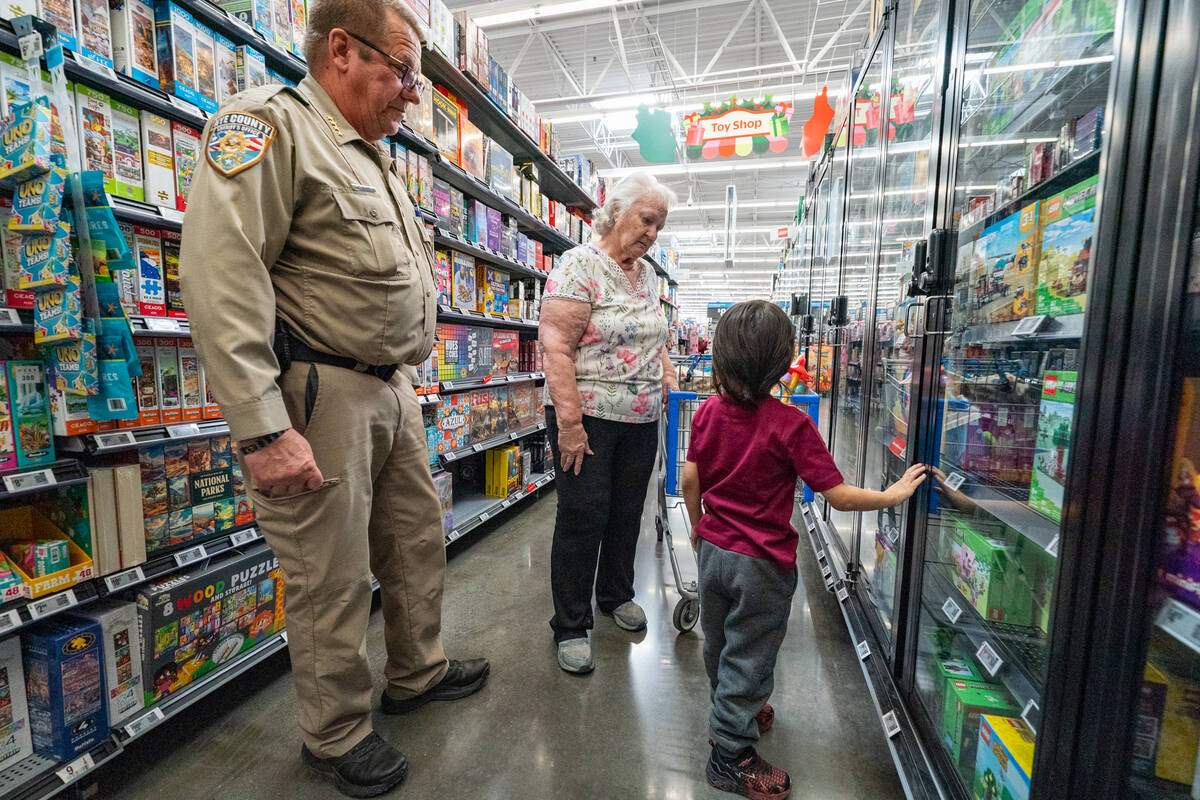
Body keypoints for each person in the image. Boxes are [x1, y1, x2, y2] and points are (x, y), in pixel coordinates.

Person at [179, 2, 488, 796]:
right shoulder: (267, 128)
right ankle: (336, 731)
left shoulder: (376, 155)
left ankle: (417, 671)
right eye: (403, 71)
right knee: (332, 575)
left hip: (394, 390)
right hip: (321, 392)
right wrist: (260, 430)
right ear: (341, 50)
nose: (413, 94)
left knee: (417, 541)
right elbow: (223, 277)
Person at [681, 300, 927, 799]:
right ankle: (730, 756)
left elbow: (690, 478)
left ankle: (731, 712)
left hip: (713, 550)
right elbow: (837, 495)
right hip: (762, 564)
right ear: (782, 363)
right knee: (751, 656)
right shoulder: (790, 426)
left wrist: (698, 526)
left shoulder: (706, 412)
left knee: (721, 642)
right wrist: (893, 493)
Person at [539, 172, 679, 674]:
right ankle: (571, 624)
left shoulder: (648, 276)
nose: (652, 233)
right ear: (616, 210)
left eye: (659, 226)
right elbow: (555, 346)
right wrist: (570, 424)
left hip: (641, 420)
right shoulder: (579, 267)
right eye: (647, 220)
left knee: (626, 512)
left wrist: (664, 372)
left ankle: (615, 595)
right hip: (590, 420)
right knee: (583, 516)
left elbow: (656, 338)